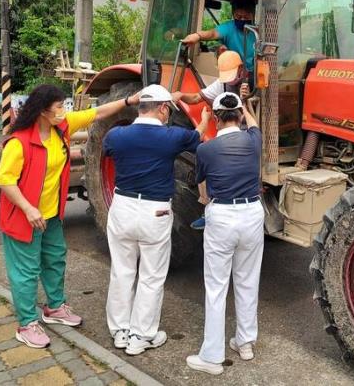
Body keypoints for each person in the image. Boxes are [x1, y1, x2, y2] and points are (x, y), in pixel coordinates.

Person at [0, 84, 141, 349]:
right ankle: (27, 323)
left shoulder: (60, 127)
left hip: (50, 216)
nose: (65, 111)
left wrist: (130, 100)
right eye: (59, 107)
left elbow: (97, 113)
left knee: (55, 260)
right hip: (23, 217)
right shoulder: (19, 142)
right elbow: (5, 180)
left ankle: (54, 308)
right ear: (42, 112)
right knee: (25, 271)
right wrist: (28, 208)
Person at [104, 84, 210, 355]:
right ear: (163, 108)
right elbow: (196, 139)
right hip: (155, 213)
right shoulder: (172, 137)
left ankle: (120, 331)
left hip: (122, 208)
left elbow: (109, 151)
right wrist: (206, 121)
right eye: (168, 111)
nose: (168, 116)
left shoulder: (116, 135)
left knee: (122, 270)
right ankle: (141, 336)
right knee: (151, 276)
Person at [186, 92, 264, 375]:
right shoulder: (254, 141)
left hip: (222, 216)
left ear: (216, 118)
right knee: (247, 281)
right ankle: (244, 343)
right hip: (252, 213)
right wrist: (246, 106)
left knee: (217, 287)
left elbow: (202, 185)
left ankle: (212, 355)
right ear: (241, 115)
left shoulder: (205, 149)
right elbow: (254, 125)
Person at [172, 50, 251, 230]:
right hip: (227, 132)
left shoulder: (252, 81)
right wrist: (180, 95)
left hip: (246, 131)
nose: (229, 80)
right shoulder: (221, 84)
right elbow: (196, 97)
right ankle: (207, 207)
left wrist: (248, 98)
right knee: (206, 158)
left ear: (241, 69)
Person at [181, 0, 257, 72]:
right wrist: (197, 36)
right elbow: (212, 33)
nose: (242, 19)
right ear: (233, 15)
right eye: (239, 16)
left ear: (253, 16)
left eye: (246, 17)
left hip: (253, 73)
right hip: (232, 72)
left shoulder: (257, 32)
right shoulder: (228, 28)